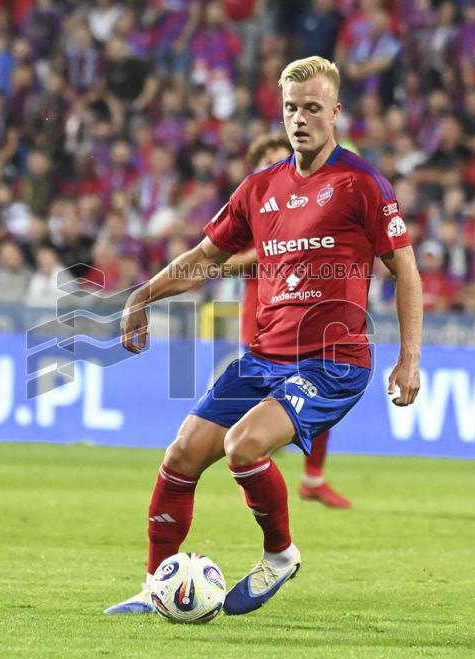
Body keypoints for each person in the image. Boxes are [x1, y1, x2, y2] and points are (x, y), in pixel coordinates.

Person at [106, 56, 422, 616]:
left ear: (336, 113)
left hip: (333, 360)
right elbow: (205, 258)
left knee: (244, 446)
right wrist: (141, 296)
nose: (301, 119)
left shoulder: (362, 184)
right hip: (262, 357)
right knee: (181, 455)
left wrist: (409, 358)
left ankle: (279, 553)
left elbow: (407, 271)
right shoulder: (259, 189)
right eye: (291, 109)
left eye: (314, 109)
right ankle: (154, 583)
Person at [225, 133, 354, 509]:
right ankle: (249, 476)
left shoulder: (315, 205)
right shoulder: (251, 208)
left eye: (279, 158)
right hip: (262, 327)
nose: (274, 165)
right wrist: (267, 253)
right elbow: (224, 264)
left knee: (323, 398)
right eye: (265, 158)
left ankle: (313, 478)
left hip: (310, 324)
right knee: (253, 408)